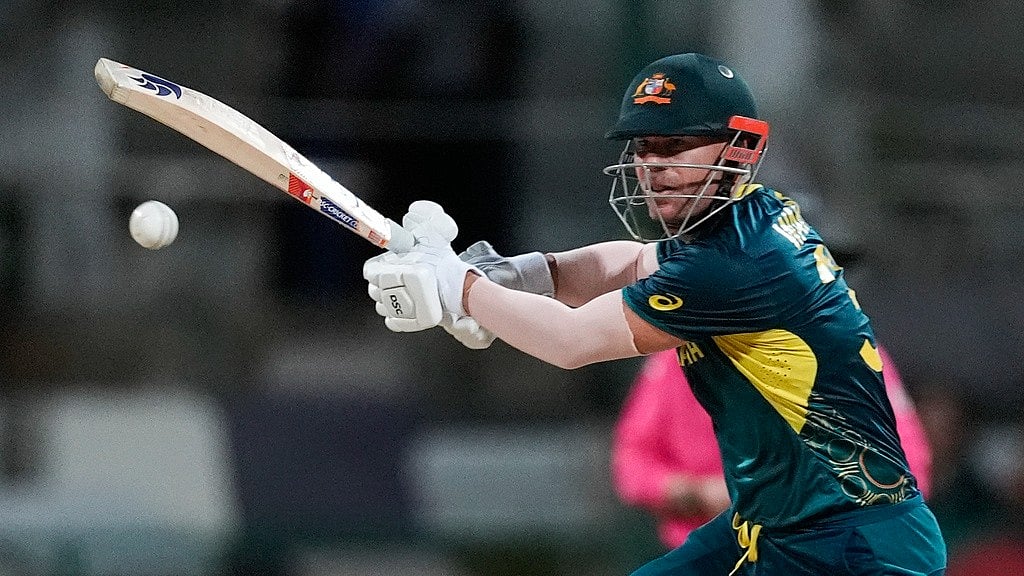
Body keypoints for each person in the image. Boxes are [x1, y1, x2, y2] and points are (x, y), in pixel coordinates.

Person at [363, 53, 947, 575]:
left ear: (739, 149)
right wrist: (515, 275)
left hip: (854, 549)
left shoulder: (735, 262)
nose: (651, 168)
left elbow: (571, 343)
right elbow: (631, 261)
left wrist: (458, 286)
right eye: (642, 149)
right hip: (781, 527)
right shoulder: (750, 216)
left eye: (673, 147)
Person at [611, 345, 933, 550]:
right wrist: (698, 493)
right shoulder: (681, 355)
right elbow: (632, 463)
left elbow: (908, 469)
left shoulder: (849, 351)